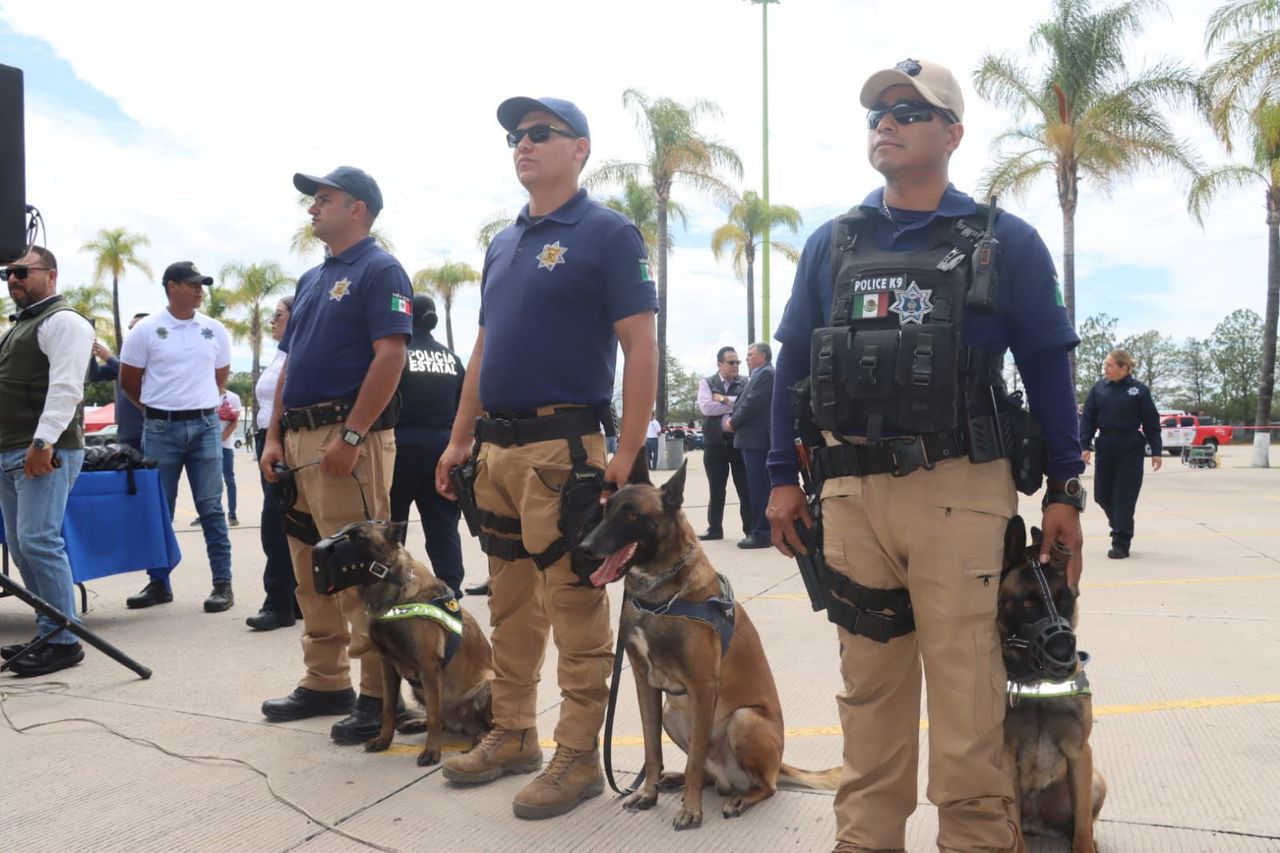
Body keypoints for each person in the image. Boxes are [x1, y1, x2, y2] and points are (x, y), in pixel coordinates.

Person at [765, 59, 1085, 852]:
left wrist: (1066, 489)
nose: (888, 121)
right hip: (849, 497)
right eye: (879, 111)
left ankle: (975, 838)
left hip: (960, 490)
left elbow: (1048, 364)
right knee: (868, 690)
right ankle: (864, 838)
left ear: (953, 133)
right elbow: (792, 362)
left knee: (967, 690)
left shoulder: (1005, 241)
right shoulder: (831, 243)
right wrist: (778, 476)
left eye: (911, 111)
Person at [434, 95, 657, 820]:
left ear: (579, 148)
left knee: (574, 604)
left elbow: (640, 344)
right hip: (495, 450)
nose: (521, 144)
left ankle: (578, 755)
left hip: (564, 451)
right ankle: (514, 732)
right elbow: (483, 348)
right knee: (510, 605)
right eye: (514, 136)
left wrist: (628, 450)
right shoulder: (503, 243)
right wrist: (460, 438)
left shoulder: (608, 233)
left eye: (538, 133)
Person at [258, 166, 412, 744]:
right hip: (299, 439)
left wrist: (351, 436)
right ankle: (325, 680)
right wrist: (274, 436)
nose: (312, 208)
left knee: (360, 572)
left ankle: (377, 693)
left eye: (324, 199)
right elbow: (289, 366)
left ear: (358, 209)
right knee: (309, 572)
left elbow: (391, 356)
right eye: (313, 200)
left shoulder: (380, 268)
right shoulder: (311, 279)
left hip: (346, 438)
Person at [119, 262, 235, 613]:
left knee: (211, 508)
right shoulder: (146, 330)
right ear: (172, 286)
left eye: (202, 284)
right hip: (160, 427)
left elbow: (220, 377)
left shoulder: (214, 330)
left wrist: (197, 404)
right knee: (160, 508)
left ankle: (223, 584)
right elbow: (129, 382)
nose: (200, 290)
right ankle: (159, 583)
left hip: (205, 426)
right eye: (193, 284)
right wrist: (158, 408)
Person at [0, 248, 94, 677]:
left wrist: (43, 441)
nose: (13, 279)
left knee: (39, 541)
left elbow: (66, 387)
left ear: (51, 276)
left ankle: (63, 641)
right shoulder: (21, 325)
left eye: (22, 271)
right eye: (8, 273)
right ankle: (48, 630)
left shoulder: (64, 321)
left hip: (41, 449)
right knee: (23, 546)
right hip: (12, 449)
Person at [390, 293, 466, 597]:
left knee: (392, 530)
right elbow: (463, 405)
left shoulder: (398, 354)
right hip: (442, 450)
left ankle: (393, 591)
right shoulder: (451, 359)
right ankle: (450, 593)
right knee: (443, 528)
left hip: (400, 450)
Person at [246, 296, 298, 631]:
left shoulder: (299, 351)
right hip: (269, 438)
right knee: (280, 523)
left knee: (277, 523)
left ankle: (278, 603)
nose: (272, 320)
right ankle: (291, 600)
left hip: (286, 439)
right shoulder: (281, 352)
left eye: (278, 314)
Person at [1080, 348, 1162, 559]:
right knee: (1101, 495)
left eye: (1109, 365)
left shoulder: (1139, 391)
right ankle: (1120, 523)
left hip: (1130, 447)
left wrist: (1156, 450)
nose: (1105, 369)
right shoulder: (1099, 389)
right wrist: (1084, 445)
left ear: (1123, 368)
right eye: (1105, 365)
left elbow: (1151, 422)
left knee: (1124, 496)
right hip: (1106, 444)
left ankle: (1121, 542)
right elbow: (1088, 418)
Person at [696, 346, 751, 541]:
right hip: (715, 444)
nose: (736, 366)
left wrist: (724, 399)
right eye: (731, 362)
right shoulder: (706, 382)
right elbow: (706, 408)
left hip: (738, 443)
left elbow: (749, 405)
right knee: (716, 489)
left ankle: (751, 530)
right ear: (720, 364)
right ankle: (715, 529)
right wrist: (734, 404)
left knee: (745, 488)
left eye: (738, 362)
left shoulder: (746, 382)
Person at [730, 341, 774, 549]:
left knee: (759, 489)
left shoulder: (766, 374)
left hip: (757, 440)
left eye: (750, 354)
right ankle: (762, 530)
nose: (746, 358)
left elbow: (752, 403)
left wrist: (733, 422)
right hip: (751, 440)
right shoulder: (758, 374)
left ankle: (762, 533)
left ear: (763, 356)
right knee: (756, 487)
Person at [113, 313, 149, 450]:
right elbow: (96, 375)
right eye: (130, 329)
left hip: (148, 431)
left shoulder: (155, 355)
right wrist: (92, 353)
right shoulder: (123, 357)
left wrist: (108, 359)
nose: (132, 332)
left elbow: (133, 372)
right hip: (125, 432)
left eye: (136, 328)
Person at [217, 389, 242, 526]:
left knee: (229, 480)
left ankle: (232, 514)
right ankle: (210, 514)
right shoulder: (204, 393)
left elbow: (234, 422)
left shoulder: (233, 397)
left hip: (225, 446)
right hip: (207, 447)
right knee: (210, 482)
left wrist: (220, 440)